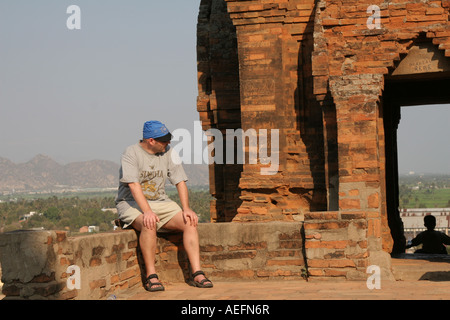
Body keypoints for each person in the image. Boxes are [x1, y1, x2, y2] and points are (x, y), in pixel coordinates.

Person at [115, 120, 213, 291]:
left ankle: (197, 272)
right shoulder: (131, 153)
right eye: (164, 140)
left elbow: (180, 181)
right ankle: (151, 276)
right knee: (149, 223)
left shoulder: (168, 152)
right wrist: (147, 211)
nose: (168, 143)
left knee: (189, 222)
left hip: (161, 202)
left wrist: (186, 208)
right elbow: (133, 185)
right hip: (131, 203)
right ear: (151, 140)